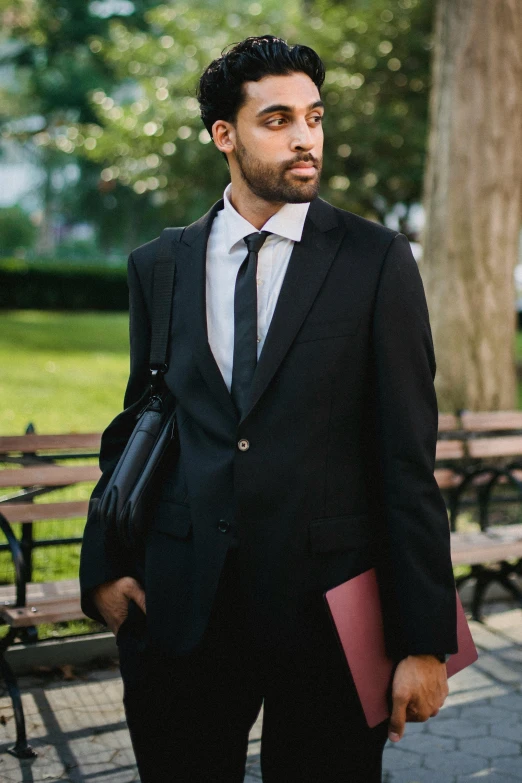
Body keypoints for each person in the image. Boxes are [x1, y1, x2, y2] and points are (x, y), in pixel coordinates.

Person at [79, 34, 458, 783]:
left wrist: (425, 640)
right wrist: (104, 568)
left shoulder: (375, 260)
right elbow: (137, 427)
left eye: (314, 118)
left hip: (330, 617)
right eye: (277, 119)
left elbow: (407, 455)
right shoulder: (160, 264)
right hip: (183, 614)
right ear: (225, 135)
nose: (305, 138)